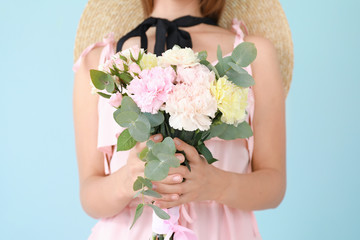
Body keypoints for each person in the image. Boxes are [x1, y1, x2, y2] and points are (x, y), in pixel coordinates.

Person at [73, 0, 292, 239]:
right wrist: (128, 180)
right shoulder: (98, 62)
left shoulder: (254, 54)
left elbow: (273, 186)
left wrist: (214, 184)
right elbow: (90, 197)